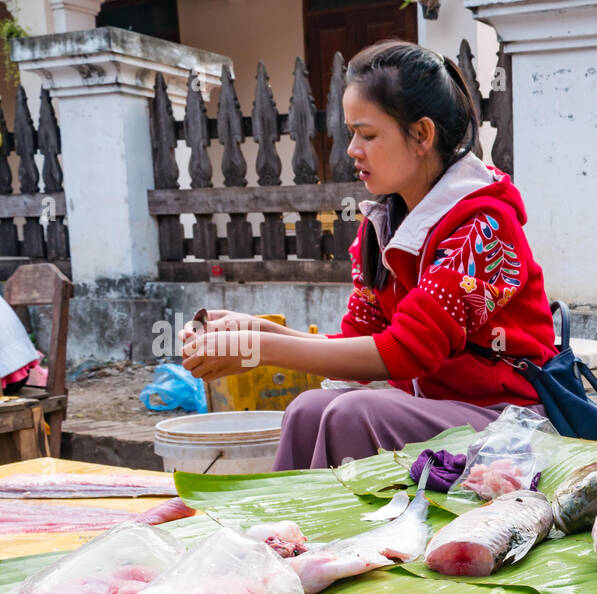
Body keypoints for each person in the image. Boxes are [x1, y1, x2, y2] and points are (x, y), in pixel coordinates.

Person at [180, 40, 556, 470]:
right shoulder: (383, 226)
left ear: (422, 135)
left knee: (350, 414)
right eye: (351, 133)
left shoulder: (484, 228)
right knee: (307, 410)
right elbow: (357, 348)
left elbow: (404, 353)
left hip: (507, 421)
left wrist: (258, 348)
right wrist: (255, 331)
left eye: (368, 134)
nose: (352, 150)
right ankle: (281, 536)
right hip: (431, 409)